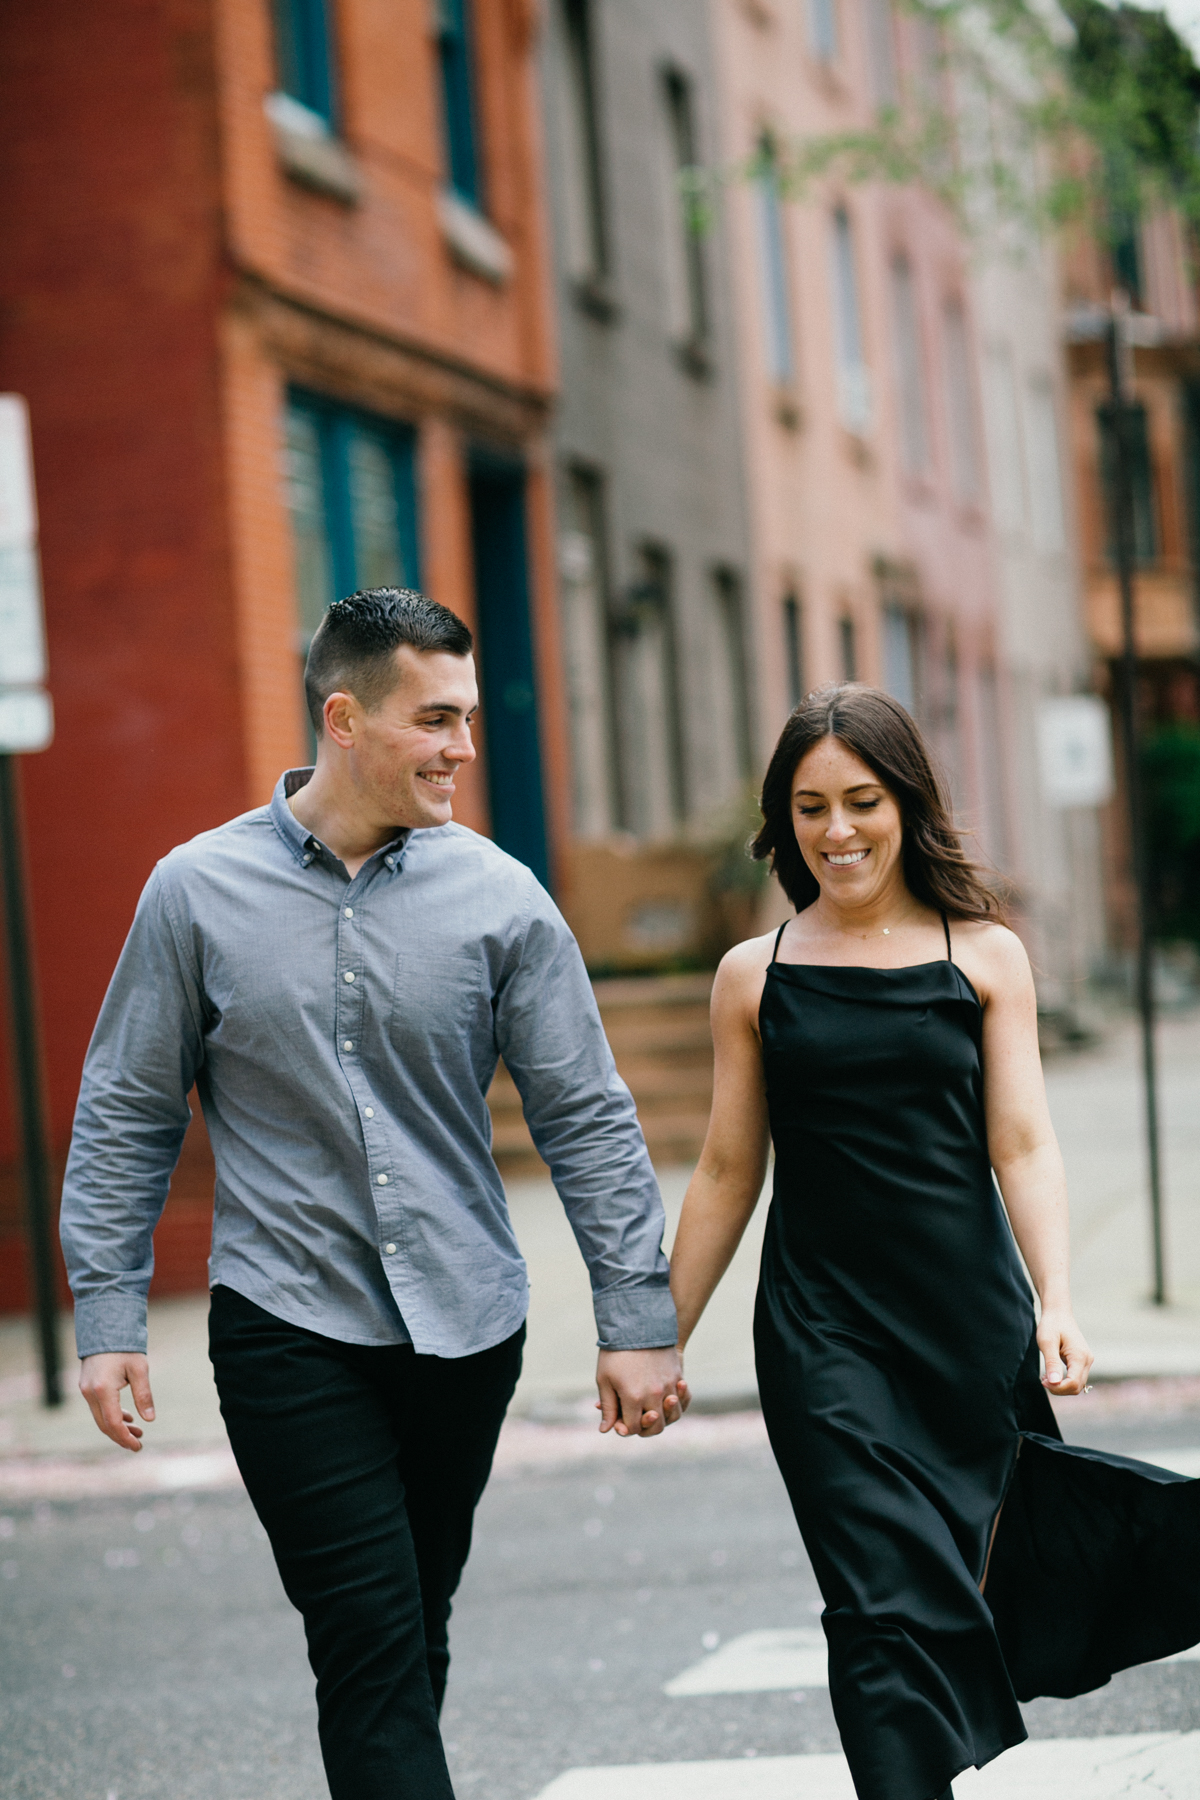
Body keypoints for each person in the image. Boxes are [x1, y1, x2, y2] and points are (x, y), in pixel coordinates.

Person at [60, 587, 686, 1800]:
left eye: (464, 716)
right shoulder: (194, 893)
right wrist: (107, 1319)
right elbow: (128, 1108)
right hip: (288, 1326)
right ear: (344, 720)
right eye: (435, 719)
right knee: (368, 1633)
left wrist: (637, 1315)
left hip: (466, 1323)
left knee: (407, 1622)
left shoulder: (502, 900)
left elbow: (589, 1116)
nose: (463, 745)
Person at [668, 684, 1200, 1800]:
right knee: (872, 1605)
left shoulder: (986, 956)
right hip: (823, 1336)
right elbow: (726, 1170)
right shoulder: (751, 976)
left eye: (861, 800)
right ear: (786, 819)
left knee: (960, 1583)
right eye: (810, 807)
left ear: (906, 803)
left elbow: (1023, 1144)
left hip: (967, 1329)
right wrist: (653, 1336)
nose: (837, 831)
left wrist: (1056, 1299)